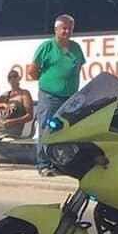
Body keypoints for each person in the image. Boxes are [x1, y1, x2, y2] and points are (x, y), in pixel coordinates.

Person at [26, 14, 86, 176]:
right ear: (56, 29)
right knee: (46, 130)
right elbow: (32, 71)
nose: (67, 31)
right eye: (64, 28)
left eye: (70, 28)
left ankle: (61, 163)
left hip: (70, 99)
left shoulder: (76, 48)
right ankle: (43, 164)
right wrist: (48, 81)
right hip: (50, 97)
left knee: (66, 131)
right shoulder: (47, 47)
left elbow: (78, 68)